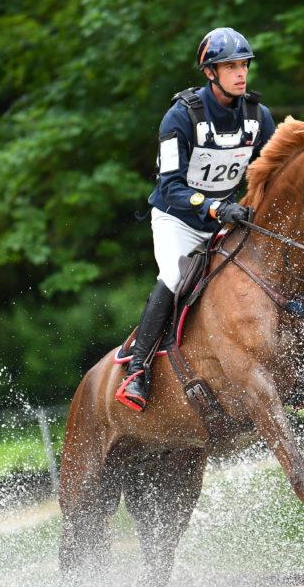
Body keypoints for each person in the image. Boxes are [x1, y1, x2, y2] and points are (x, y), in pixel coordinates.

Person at [116, 27, 276, 411]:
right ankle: (137, 372)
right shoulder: (180, 117)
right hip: (178, 221)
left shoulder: (258, 116)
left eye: (244, 65)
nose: (241, 73)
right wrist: (217, 207)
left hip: (229, 219)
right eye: (230, 67)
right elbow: (170, 187)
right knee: (175, 276)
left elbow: (275, 171)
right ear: (210, 73)